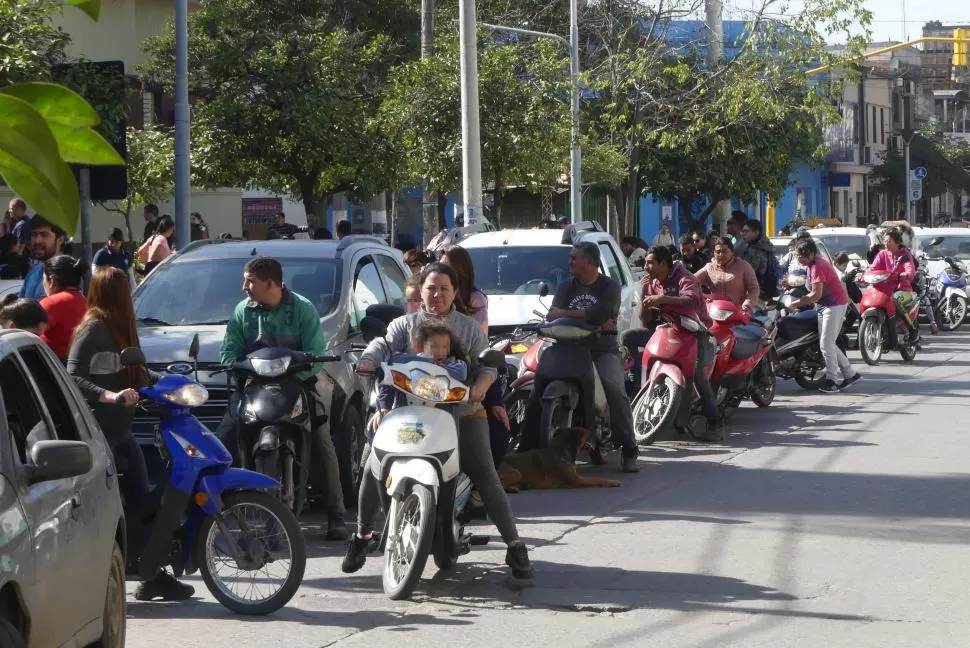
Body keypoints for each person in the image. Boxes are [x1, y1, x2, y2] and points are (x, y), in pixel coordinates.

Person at [345, 263, 532, 579]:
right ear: (421, 290)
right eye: (431, 287)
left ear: (455, 293)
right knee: (371, 461)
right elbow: (382, 346)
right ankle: (363, 535)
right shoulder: (403, 326)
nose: (437, 294)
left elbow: (487, 362)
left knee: (484, 473)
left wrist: (482, 385)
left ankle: (514, 545)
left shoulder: (468, 328)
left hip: (463, 411)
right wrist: (369, 360)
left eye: (445, 288)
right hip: (405, 412)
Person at [66, 267, 195, 601]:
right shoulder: (93, 328)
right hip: (99, 435)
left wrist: (168, 383)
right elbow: (73, 376)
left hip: (122, 431)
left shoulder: (124, 328)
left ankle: (151, 575)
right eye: (125, 288)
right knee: (110, 510)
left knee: (144, 504)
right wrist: (108, 395)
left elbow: (136, 372)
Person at [217, 257, 347, 540]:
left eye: (249, 281)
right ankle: (211, 512)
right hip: (253, 390)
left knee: (322, 443)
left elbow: (314, 355)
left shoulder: (302, 309)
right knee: (222, 441)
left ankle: (336, 514)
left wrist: (293, 373)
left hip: (296, 387)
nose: (244, 287)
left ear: (269, 284)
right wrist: (239, 367)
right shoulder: (243, 311)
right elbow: (229, 353)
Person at [519, 242, 640, 473]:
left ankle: (629, 448)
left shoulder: (609, 286)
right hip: (566, 345)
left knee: (615, 391)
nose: (570, 262)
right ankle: (526, 448)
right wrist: (587, 318)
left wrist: (570, 315)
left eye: (575, 258)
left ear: (589, 262)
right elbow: (552, 314)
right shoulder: (566, 286)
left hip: (601, 348)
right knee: (537, 387)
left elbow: (602, 314)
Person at [628, 246, 722, 439]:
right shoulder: (652, 282)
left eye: (650, 262)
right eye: (645, 262)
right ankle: (637, 380)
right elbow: (645, 320)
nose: (646, 267)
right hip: (664, 332)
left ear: (663, 264)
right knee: (628, 337)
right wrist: (645, 291)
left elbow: (690, 300)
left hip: (694, 332)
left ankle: (715, 423)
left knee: (698, 378)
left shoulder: (685, 278)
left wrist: (663, 298)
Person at [439, 244, 510, 470]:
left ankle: (484, 485)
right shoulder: (416, 315)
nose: (438, 296)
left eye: (445, 289)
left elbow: (480, 346)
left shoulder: (474, 301)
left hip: (473, 365)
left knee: (498, 426)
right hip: (430, 373)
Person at [786, 239, 862, 393]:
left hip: (833, 305)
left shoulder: (818, 266)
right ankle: (850, 374)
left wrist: (794, 305)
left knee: (826, 344)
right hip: (826, 305)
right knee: (828, 343)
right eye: (798, 256)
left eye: (802, 256)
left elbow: (815, 294)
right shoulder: (812, 265)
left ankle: (832, 380)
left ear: (812, 254)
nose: (799, 259)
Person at [371, 322, 470, 432]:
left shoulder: (454, 363)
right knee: (373, 431)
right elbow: (392, 362)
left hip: (442, 419)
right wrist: (384, 406)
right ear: (420, 346)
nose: (441, 351)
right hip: (406, 416)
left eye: (445, 346)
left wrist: (434, 366)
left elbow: (461, 372)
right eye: (435, 346)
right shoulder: (408, 363)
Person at [868, 228, 919, 343]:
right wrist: (863, 275)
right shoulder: (882, 254)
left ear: (897, 242)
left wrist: (906, 274)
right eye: (885, 241)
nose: (886, 243)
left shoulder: (905, 254)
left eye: (889, 241)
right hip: (884, 290)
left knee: (896, 300)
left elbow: (910, 268)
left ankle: (912, 330)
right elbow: (872, 268)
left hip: (903, 290)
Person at [39, 255, 89, 361]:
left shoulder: (51, 303)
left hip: (52, 369)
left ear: (52, 281)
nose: (43, 284)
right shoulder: (85, 302)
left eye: (43, 279)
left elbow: (22, 334)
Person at [694, 238, 760, 313]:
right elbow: (691, 281)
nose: (721, 255)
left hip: (739, 312)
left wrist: (747, 305)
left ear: (732, 252)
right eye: (718, 252)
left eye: (725, 251)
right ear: (714, 253)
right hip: (715, 313)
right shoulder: (709, 268)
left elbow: (754, 289)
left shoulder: (744, 266)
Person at [19, 214, 66, 299]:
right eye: (34, 234)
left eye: (44, 235)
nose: (37, 241)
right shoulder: (34, 271)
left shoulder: (70, 274)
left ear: (60, 239)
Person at [738, 219, 778, 300]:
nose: (742, 234)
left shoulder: (757, 251)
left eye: (746, 231)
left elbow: (746, 271)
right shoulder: (761, 245)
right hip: (761, 292)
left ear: (756, 232)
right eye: (742, 231)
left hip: (756, 293)